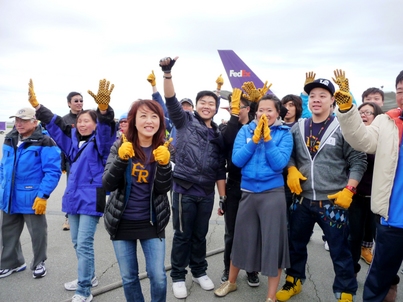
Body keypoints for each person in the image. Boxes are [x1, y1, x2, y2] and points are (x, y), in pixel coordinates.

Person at [276, 75, 367, 302]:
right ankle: (294, 280)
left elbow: (359, 160)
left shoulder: (343, 127)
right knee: (295, 245)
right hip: (302, 200)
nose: (316, 100)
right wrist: (292, 169)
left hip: (333, 201)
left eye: (322, 96)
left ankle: (345, 290)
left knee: (340, 250)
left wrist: (350, 189)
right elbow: (289, 155)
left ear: (332, 100)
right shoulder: (298, 127)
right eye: (313, 96)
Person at [27, 78, 116, 302]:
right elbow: (56, 126)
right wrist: (38, 107)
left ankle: (84, 289)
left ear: (95, 125)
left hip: (92, 198)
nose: (84, 124)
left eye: (89, 121)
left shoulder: (101, 143)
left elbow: (106, 130)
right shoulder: (73, 142)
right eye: (81, 121)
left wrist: (103, 110)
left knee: (84, 243)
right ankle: (90, 276)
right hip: (74, 198)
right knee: (76, 241)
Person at [159, 56, 226, 299]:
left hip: (207, 192)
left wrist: (223, 197)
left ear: (216, 108)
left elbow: (220, 168)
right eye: (203, 102)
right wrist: (167, 73)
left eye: (211, 103)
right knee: (182, 235)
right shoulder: (184, 120)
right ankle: (178, 275)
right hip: (184, 189)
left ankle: (199, 270)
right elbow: (171, 100)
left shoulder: (218, 133)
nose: (207, 106)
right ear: (196, 105)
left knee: (200, 234)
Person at [215, 93, 293, 302]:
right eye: (261, 110)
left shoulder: (285, 133)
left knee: (272, 242)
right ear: (255, 111)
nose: (264, 114)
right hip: (248, 192)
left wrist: (267, 139)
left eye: (270, 110)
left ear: (277, 113)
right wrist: (255, 139)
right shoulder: (245, 130)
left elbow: (279, 164)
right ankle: (231, 282)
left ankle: (270, 296)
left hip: (272, 194)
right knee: (240, 238)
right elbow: (237, 161)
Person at [335, 70, 403, 302]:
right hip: (392, 218)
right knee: (378, 279)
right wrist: (346, 108)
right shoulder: (388, 122)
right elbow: (361, 139)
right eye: (401, 91)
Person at [103, 99, 172, 302]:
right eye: (143, 116)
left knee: (158, 276)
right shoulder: (120, 146)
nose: (149, 121)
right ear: (133, 121)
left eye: (154, 116)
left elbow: (162, 189)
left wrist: (165, 165)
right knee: (129, 277)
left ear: (160, 121)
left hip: (152, 222)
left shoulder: (164, 148)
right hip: (121, 222)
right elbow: (107, 184)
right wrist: (121, 159)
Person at [0, 107, 61, 279]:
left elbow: (52, 172)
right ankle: (12, 263)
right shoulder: (10, 138)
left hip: (32, 196)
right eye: (17, 120)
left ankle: (39, 262)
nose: (19, 123)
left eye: (24, 120)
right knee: (7, 231)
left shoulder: (45, 141)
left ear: (35, 122)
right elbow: (3, 166)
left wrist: (43, 195)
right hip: (8, 196)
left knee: (37, 232)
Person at [218, 87, 261, 286]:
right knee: (232, 232)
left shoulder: (257, 125)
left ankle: (251, 269)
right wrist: (234, 115)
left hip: (254, 185)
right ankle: (229, 267)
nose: (236, 108)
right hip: (234, 185)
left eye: (240, 105)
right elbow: (229, 141)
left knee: (254, 230)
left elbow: (283, 112)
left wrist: (257, 101)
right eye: (235, 106)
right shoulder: (228, 127)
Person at [348, 102, 383, 275]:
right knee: (354, 235)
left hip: (378, 197)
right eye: (361, 112)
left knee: (378, 237)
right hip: (356, 196)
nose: (364, 115)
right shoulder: (352, 137)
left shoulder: (383, 138)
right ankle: (352, 271)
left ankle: (378, 275)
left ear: (377, 117)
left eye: (368, 112)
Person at [61, 91, 84, 231]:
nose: (79, 103)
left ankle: (88, 212)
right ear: (69, 103)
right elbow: (62, 143)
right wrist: (63, 162)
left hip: (88, 159)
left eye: (81, 100)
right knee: (71, 186)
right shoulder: (65, 120)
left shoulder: (89, 117)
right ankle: (69, 216)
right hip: (71, 159)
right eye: (76, 101)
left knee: (88, 186)